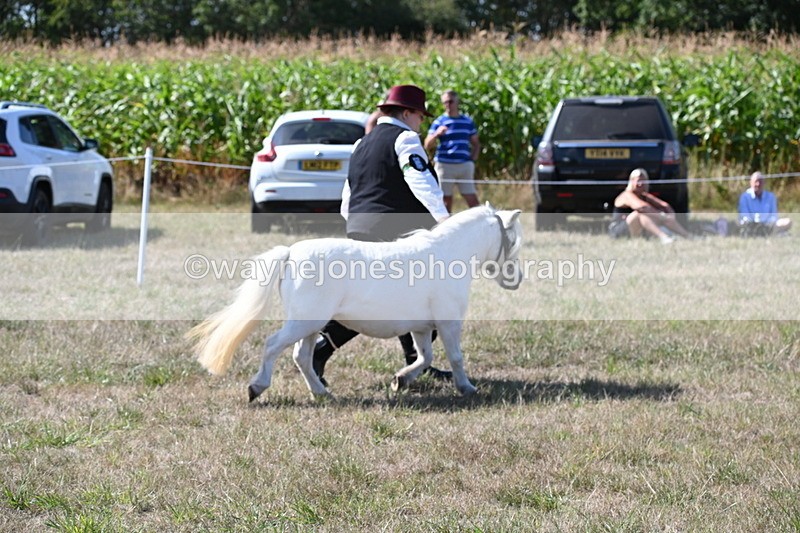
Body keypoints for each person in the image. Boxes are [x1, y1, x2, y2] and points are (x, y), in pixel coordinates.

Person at [312, 84, 452, 386]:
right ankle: (319, 353)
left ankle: (416, 363)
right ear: (406, 113)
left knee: (388, 299)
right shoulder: (406, 139)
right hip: (397, 231)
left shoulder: (360, 144)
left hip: (361, 228)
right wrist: (445, 224)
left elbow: (348, 195)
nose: (421, 123)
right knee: (429, 298)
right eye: (420, 116)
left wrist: (357, 226)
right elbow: (421, 182)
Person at [423, 90, 481, 212]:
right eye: (445, 103)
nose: (447, 105)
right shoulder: (439, 122)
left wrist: (472, 160)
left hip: (464, 164)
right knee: (445, 200)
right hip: (445, 165)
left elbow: (476, 144)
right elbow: (427, 145)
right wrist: (436, 134)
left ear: (457, 102)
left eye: (450, 102)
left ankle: (484, 224)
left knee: (471, 198)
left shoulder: (467, 122)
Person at [608, 168, 691, 244]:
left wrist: (669, 213)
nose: (640, 184)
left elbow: (664, 205)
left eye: (642, 181)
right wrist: (660, 216)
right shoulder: (627, 195)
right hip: (619, 230)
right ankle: (664, 237)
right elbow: (642, 207)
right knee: (641, 213)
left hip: (637, 228)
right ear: (632, 182)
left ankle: (687, 235)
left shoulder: (644, 195)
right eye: (637, 181)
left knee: (657, 215)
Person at [738, 171, 792, 236]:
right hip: (751, 226)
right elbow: (745, 216)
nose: (758, 184)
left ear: (764, 183)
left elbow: (773, 215)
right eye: (756, 181)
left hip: (768, 225)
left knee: (787, 222)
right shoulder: (745, 197)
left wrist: (766, 224)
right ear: (751, 183)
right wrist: (756, 225)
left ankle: (769, 232)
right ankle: (774, 233)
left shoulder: (771, 196)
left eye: (760, 181)